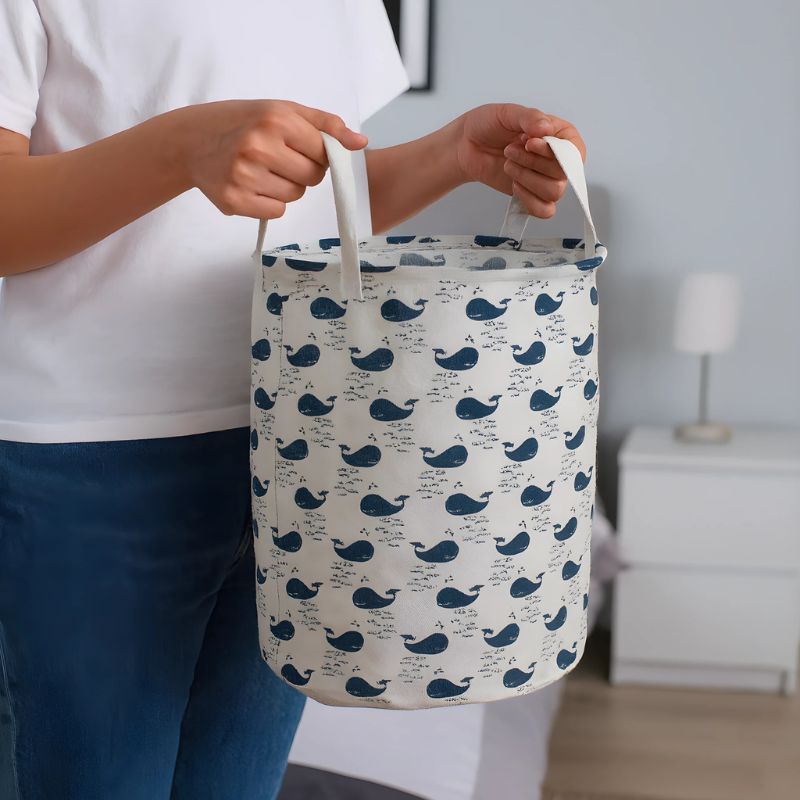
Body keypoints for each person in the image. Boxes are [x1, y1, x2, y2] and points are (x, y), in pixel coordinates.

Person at [0, 1, 586, 798]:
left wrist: (451, 155)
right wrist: (181, 148)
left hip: (307, 444)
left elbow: (318, 207)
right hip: (89, 462)